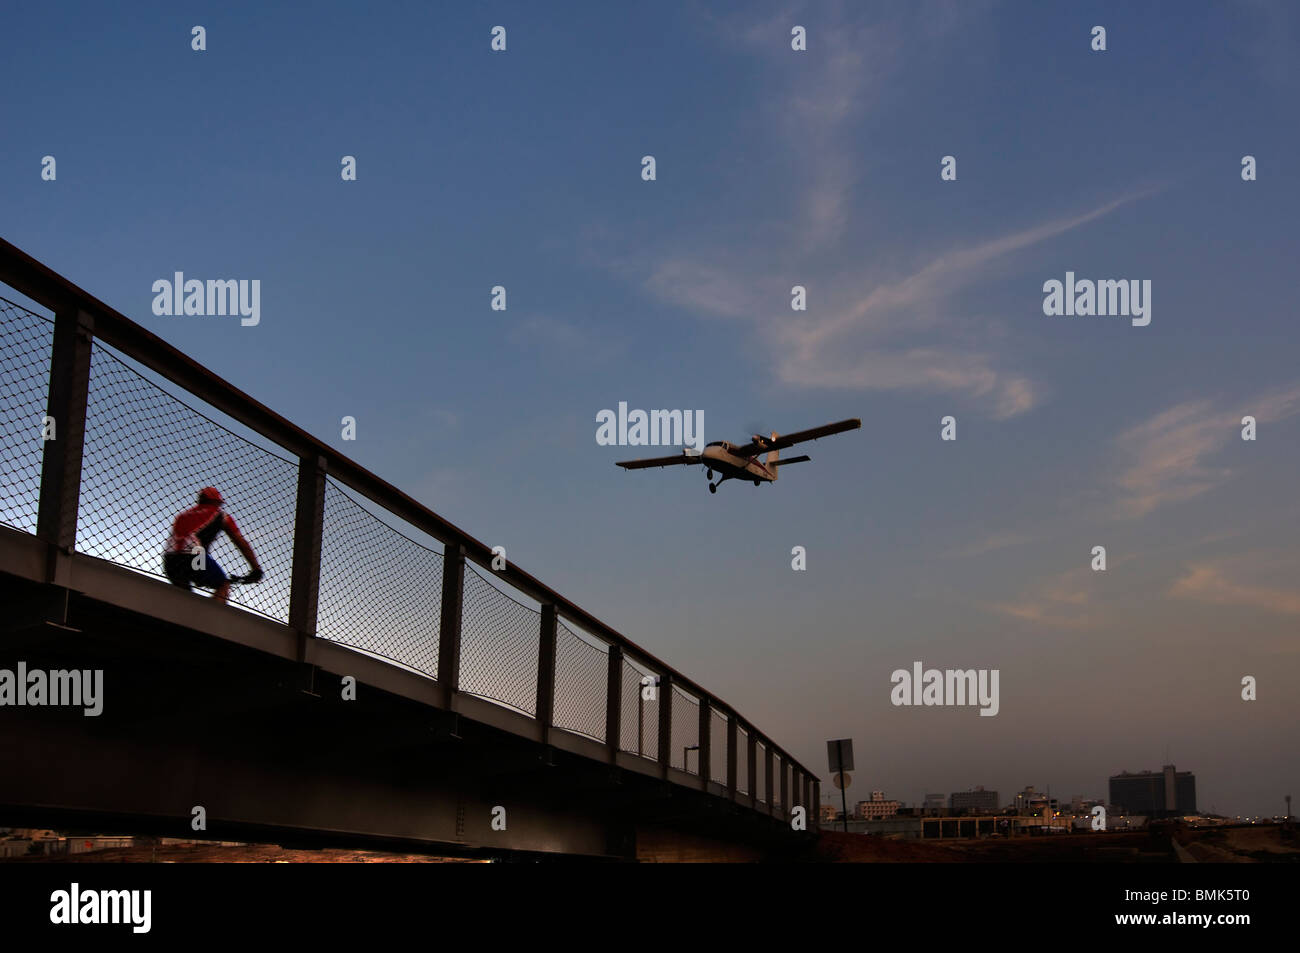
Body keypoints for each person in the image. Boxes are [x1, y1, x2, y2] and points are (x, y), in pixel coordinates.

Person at [163, 487, 261, 603]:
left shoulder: (183, 515)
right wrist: (256, 569)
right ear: (217, 501)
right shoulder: (220, 515)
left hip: (170, 560)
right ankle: (209, 616)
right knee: (223, 584)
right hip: (194, 557)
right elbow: (241, 542)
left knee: (184, 598)